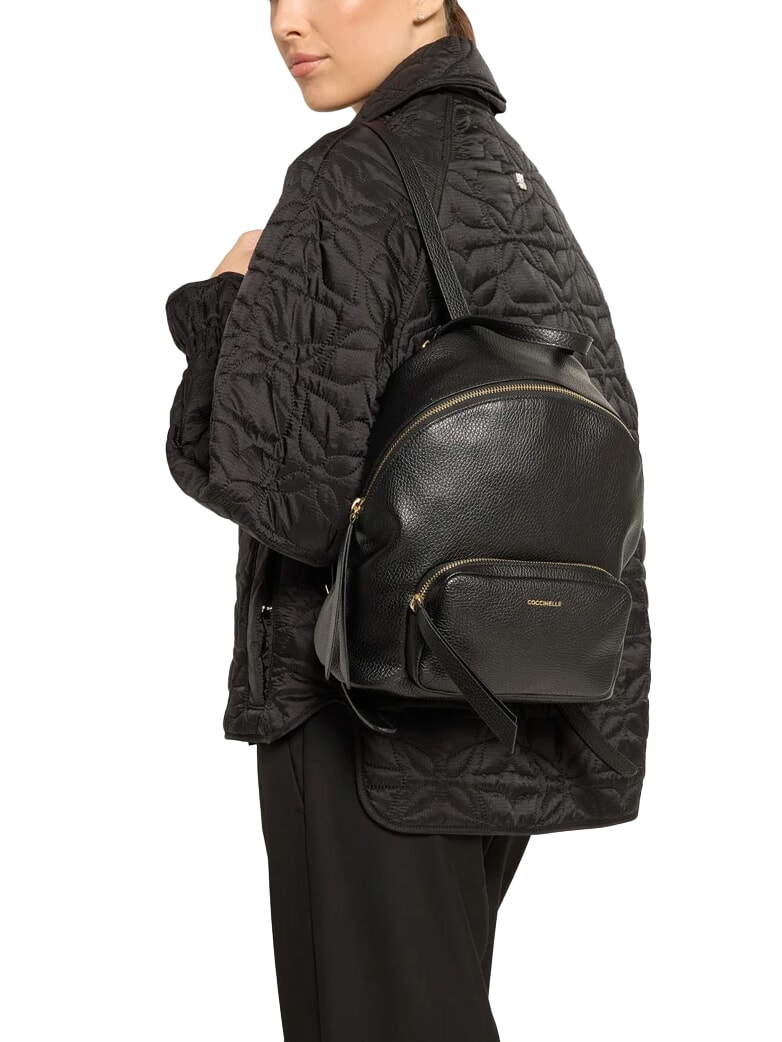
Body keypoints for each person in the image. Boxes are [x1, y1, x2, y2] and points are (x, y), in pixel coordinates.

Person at [164, 2, 651, 1039]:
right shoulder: (506, 178)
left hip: (362, 700)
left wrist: (224, 305)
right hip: (510, 691)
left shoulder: (348, 176)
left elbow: (271, 485)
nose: (289, 22)